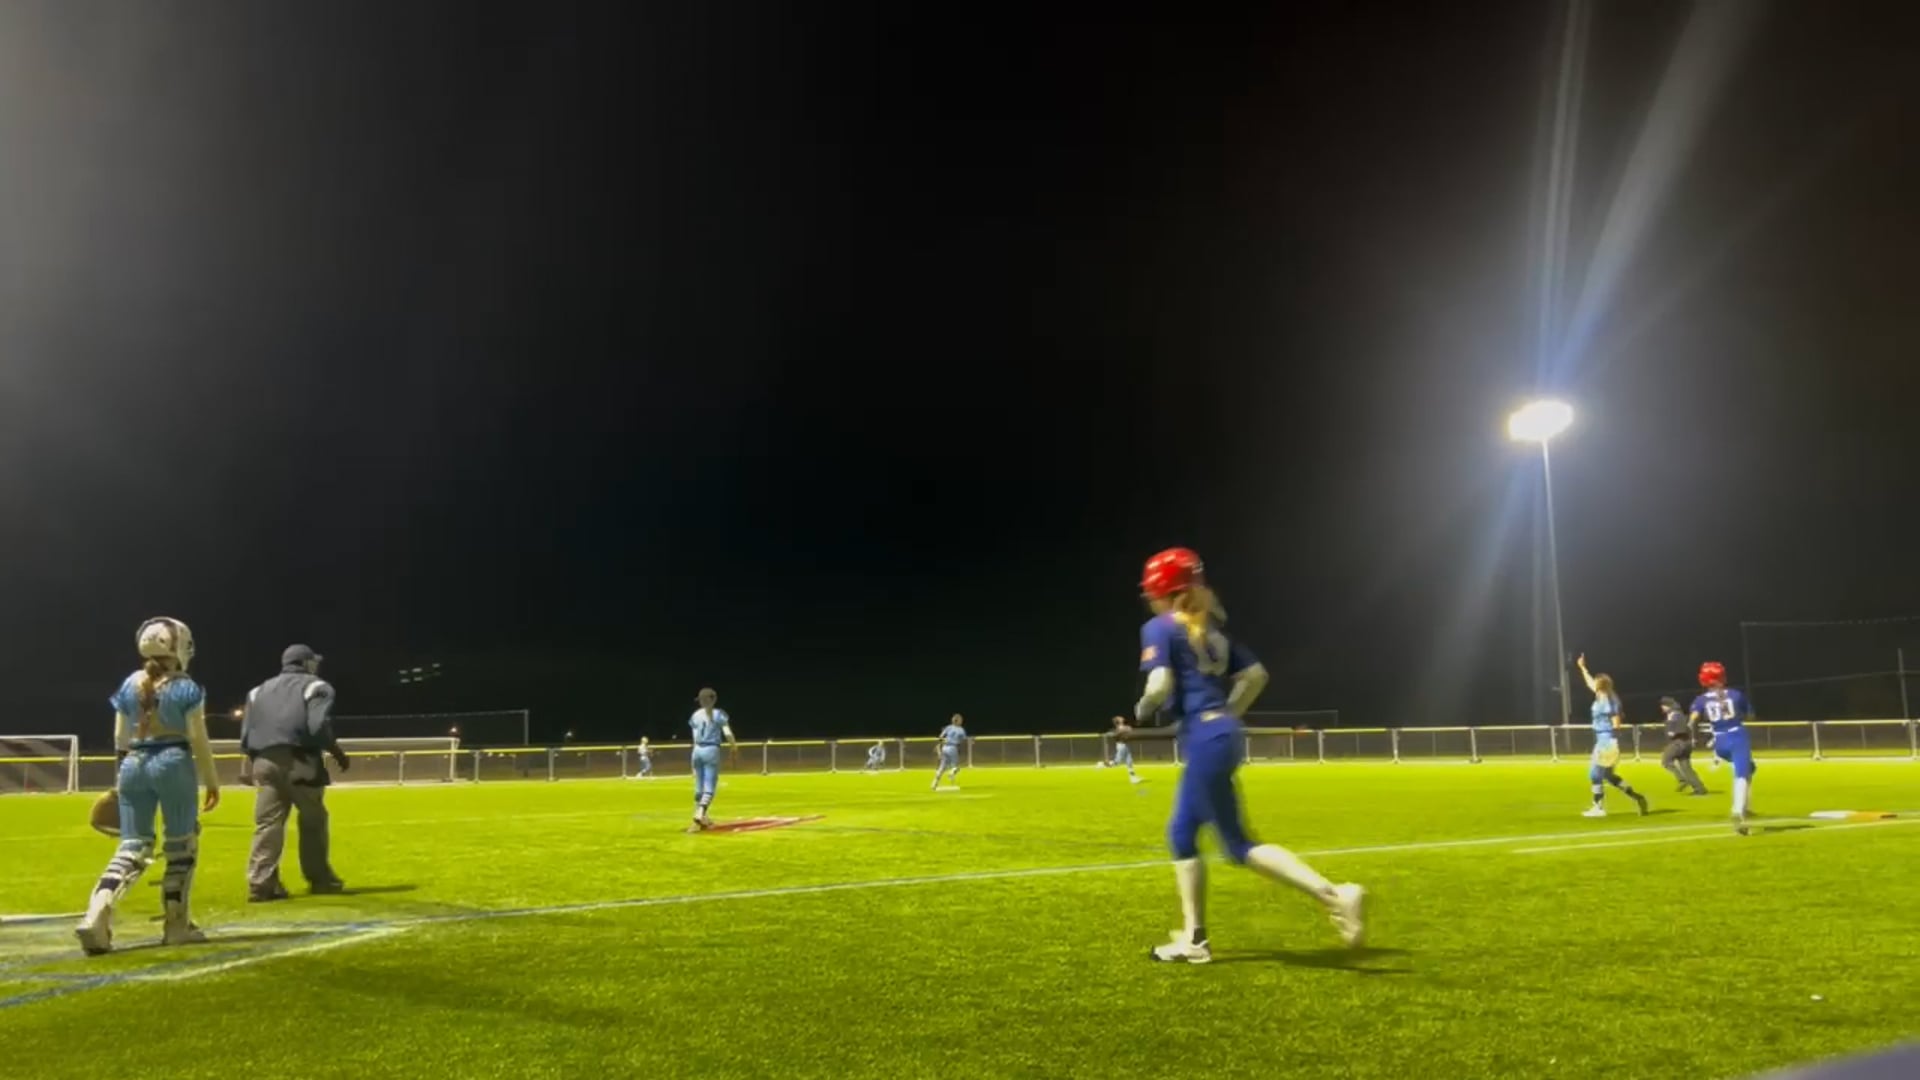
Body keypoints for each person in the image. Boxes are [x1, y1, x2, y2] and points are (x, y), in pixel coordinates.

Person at [1117, 548, 1364, 964]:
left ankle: (1334, 895)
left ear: (1163, 591)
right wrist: (1227, 714)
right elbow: (1256, 676)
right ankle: (1195, 937)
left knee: (1234, 844)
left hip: (1204, 738)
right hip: (1224, 733)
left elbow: (1158, 686)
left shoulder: (1160, 627)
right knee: (1186, 833)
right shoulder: (1212, 630)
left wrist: (1140, 712)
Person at [75, 617, 220, 955]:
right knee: (182, 845)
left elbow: (119, 737)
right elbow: (198, 739)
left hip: (133, 764)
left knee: (132, 845)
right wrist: (212, 781)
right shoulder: (186, 687)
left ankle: (96, 914)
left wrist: (120, 780)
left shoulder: (130, 683)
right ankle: (177, 925)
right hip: (173, 761)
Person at [239, 645, 348, 901]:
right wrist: (336, 751)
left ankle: (261, 883)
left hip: (263, 761)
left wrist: (255, 764)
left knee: (268, 823)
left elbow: (245, 736)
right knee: (313, 819)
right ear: (306, 663)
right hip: (300, 760)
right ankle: (320, 879)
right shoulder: (316, 687)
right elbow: (317, 726)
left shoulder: (257, 691)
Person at [1575, 654, 1650, 818]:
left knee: (1595, 774)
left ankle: (1598, 807)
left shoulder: (1609, 701)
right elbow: (1589, 682)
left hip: (1606, 740)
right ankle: (1637, 797)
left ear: (1600, 685)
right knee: (1608, 776)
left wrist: (1612, 742)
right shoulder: (1601, 696)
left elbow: (1616, 722)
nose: (1593, 684)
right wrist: (1582, 668)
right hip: (1604, 739)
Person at [1691, 662, 1756, 835]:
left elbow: (1693, 720)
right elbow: (1750, 715)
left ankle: (1745, 807)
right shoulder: (1735, 694)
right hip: (1737, 736)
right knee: (1742, 774)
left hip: (1720, 741)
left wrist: (1697, 738)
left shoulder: (1701, 699)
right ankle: (1738, 810)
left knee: (1750, 768)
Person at [688, 688, 737, 831]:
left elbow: (695, 737)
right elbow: (727, 733)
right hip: (711, 749)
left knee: (699, 785)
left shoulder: (696, 715)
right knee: (710, 785)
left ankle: (703, 816)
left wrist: (693, 757)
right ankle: (700, 812)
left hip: (698, 750)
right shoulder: (719, 714)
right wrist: (733, 746)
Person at [1659, 696, 1708, 795]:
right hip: (1686, 743)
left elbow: (1678, 730)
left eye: (1663, 705)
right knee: (1686, 767)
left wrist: (1672, 732)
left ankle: (1682, 780)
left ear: (1668, 706)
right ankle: (1700, 789)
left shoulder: (1674, 715)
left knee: (1666, 761)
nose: (1662, 708)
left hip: (1678, 743)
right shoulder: (1680, 714)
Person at [932, 714, 966, 790]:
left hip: (945, 747)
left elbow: (940, 737)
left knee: (942, 767)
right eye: (961, 720)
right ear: (958, 721)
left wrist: (939, 746)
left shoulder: (948, 727)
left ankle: (934, 783)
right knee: (956, 767)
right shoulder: (961, 730)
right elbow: (962, 740)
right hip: (953, 747)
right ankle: (951, 774)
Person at [1105, 715, 1143, 784]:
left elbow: (1128, 731)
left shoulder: (1122, 728)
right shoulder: (1119, 729)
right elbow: (1119, 735)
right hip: (1121, 745)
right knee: (1118, 762)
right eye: (1120, 718)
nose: (1122, 718)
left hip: (1125, 745)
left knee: (1129, 761)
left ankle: (1133, 778)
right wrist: (1115, 734)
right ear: (1118, 721)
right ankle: (1103, 765)